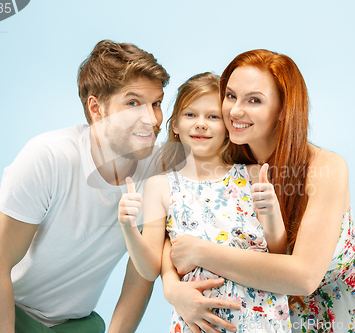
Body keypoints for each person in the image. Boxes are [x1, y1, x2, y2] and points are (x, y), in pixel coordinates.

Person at [162, 50, 355, 333]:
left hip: (351, 305)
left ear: (283, 109)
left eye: (254, 100)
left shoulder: (325, 167)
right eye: (231, 96)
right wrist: (172, 289)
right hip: (278, 311)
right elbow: (172, 221)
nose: (234, 110)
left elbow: (304, 277)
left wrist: (201, 252)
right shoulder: (226, 160)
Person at [0, 40, 169, 333]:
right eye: (133, 103)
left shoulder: (161, 170)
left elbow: (141, 276)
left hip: (69, 323)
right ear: (97, 108)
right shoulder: (49, 157)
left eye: (156, 103)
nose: (152, 119)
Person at [118, 72, 292, 333]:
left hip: (263, 322)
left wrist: (273, 214)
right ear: (175, 124)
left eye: (213, 117)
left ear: (228, 126)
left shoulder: (255, 175)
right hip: (197, 325)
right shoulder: (161, 186)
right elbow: (150, 269)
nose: (201, 124)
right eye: (190, 115)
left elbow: (280, 254)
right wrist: (129, 229)